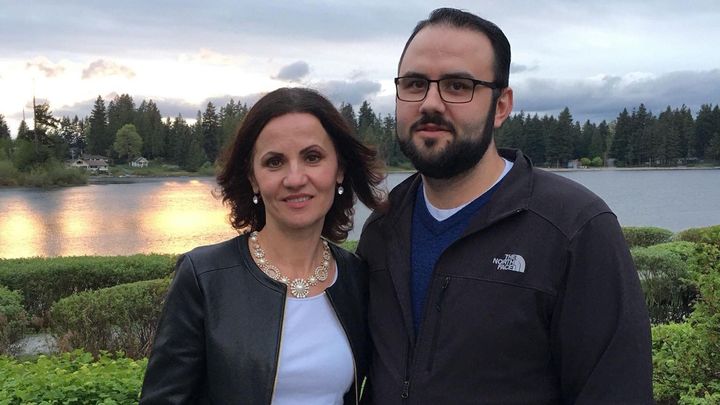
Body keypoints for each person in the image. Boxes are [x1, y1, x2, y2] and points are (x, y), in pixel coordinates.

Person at [357, 8, 653, 404]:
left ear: (501, 106)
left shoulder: (573, 228)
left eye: (458, 86)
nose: (431, 103)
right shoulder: (383, 227)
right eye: (414, 84)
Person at [140, 87, 385, 404]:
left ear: (339, 169)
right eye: (274, 162)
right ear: (253, 178)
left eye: (312, 157)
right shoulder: (205, 278)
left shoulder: (356, 277)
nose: (295, 179)